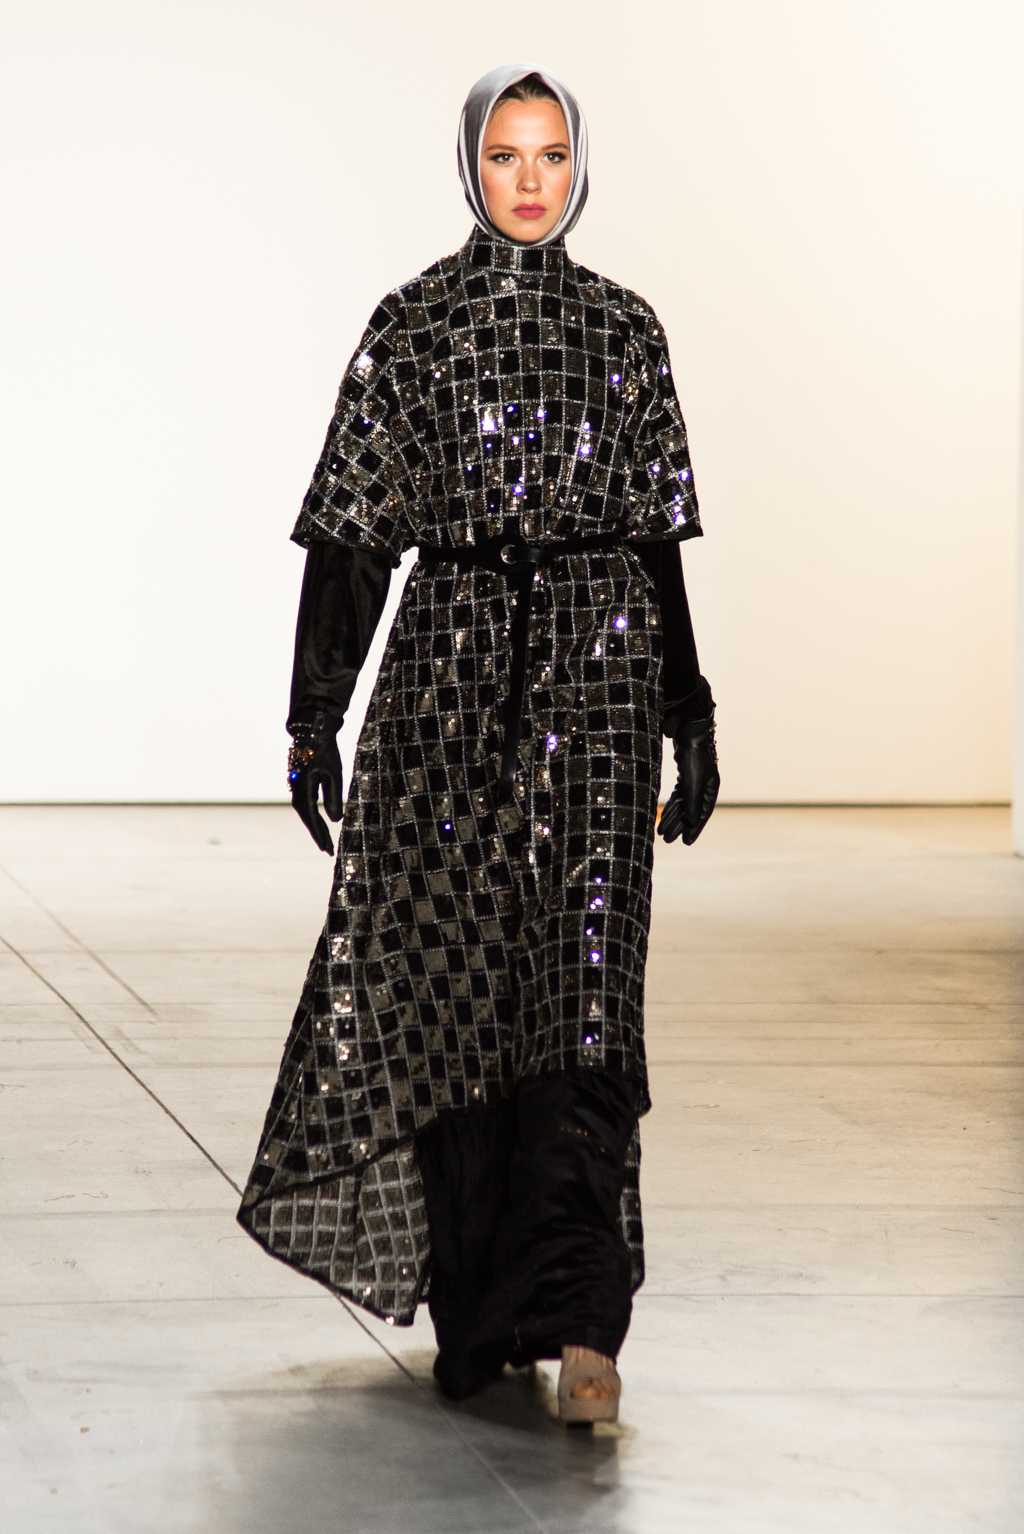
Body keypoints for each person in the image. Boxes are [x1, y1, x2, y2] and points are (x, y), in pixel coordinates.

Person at [237, 63, 719, 1426]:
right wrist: (313, 717)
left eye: (551, 154)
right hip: (446, 691)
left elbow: (655, 538)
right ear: (470, 165)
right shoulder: (414, 325)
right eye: (506, 155)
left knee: (584, 996)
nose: (529, 180)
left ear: (580, 166)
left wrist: (689, 709)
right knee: (452, 1004)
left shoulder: (626, 330)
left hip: (601, 682)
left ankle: (585, 1325)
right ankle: (485, 1310)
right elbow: (349, 540)